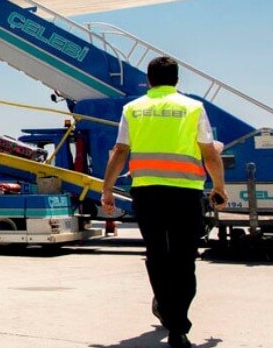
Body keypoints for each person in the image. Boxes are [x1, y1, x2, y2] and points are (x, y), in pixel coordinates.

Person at [101, 56, 228, 348]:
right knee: (184, 259)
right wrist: (219, 187)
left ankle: (167, 312)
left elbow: (120, 151)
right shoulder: (193, 108)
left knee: (158, 256)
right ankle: (178, 326)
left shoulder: (133, 109)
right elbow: (209, 153)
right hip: (185, 193)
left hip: (147, 193)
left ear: (148, 80)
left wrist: (107, 189)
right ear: (177, 80)